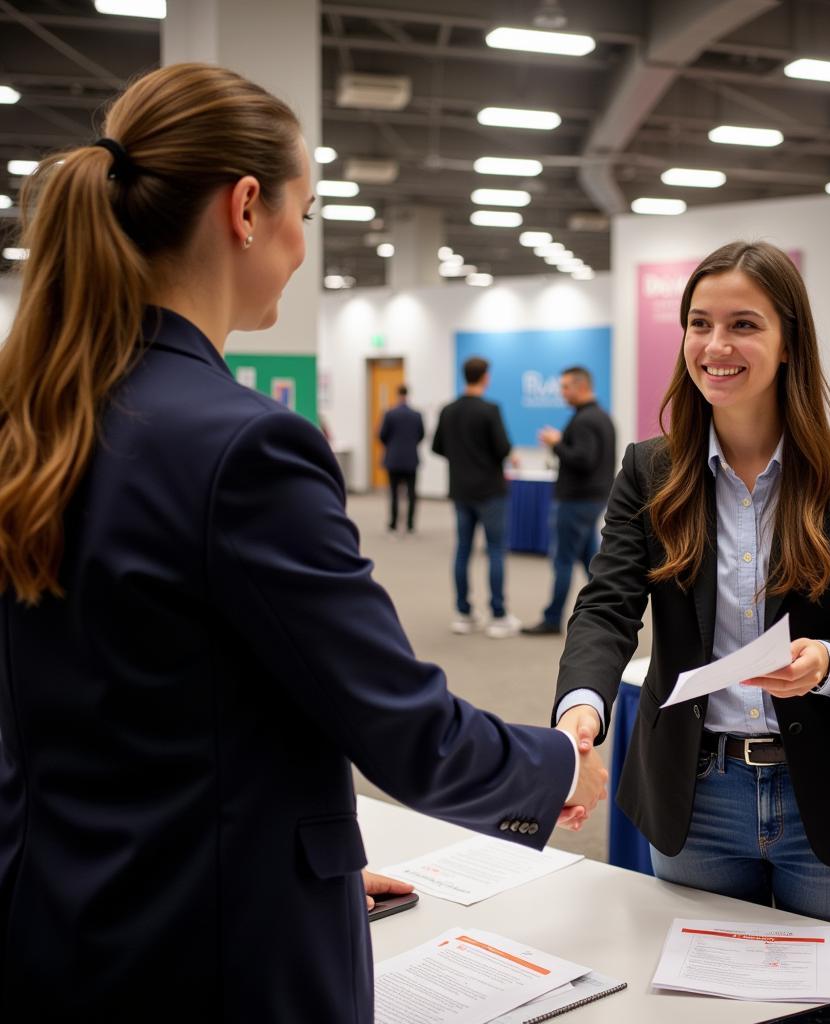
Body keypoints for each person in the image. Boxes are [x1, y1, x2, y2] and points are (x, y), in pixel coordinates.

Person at [0, 63, 607, 1022]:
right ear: (247, 209)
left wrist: (298, 864)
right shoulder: (245, 446)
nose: (300, 242)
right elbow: (403, 728)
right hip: (218, 957)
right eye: (307, 210)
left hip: (67, 925)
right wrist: (561, 763)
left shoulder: (40, 418)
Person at [552, 241, 830, 936]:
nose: (715, 344)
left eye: (743, 324)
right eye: (699, 323)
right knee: (711, 1005)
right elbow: (606, 607)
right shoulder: (651, 470)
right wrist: (582, 710)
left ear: (789, 342)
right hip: (698, 800)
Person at [523, 366, 616, 636]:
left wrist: (556, 444)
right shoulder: (600, 417)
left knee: (562, 560)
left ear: (581, 386)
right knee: (590, 562)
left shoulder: (585, 420)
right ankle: (606, 612)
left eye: (565, 387)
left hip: (576, 500)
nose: (562, 393)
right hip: (592, 499)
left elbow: (583, 459)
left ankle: (552, 618)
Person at [432, 356, 520, 638]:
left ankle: (463, 613)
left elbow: (437, 447)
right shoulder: (490, 410)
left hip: (461, 490)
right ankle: (498, 615)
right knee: (495, 550)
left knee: (463, 550)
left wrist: (461, 460)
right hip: (490, 492)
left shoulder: (448, 410)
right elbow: (503, 448)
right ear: (485, 377)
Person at [378, 384, 424, 534]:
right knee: (412, 494)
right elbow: (421, 435)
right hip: (411, 458)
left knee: (393, 492)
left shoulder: (390, 414)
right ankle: (410, 524)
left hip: (394, 459)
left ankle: (393, 523)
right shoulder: (416, 415)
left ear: (397, 394)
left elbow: (382, 435)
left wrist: (392, 446)